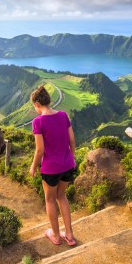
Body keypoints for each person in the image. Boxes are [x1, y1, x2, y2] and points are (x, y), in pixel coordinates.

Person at [29, 85, 77, 246]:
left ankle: (56, 235)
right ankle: (69, 235)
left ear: (37, 104)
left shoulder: (38, 122)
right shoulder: (63, 115)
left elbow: (40, 150)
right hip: (68, 164)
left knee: (50, 199)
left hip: (51, 168)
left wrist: (33, 167)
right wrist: (72, 158)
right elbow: (72, 141)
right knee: (61, 196)